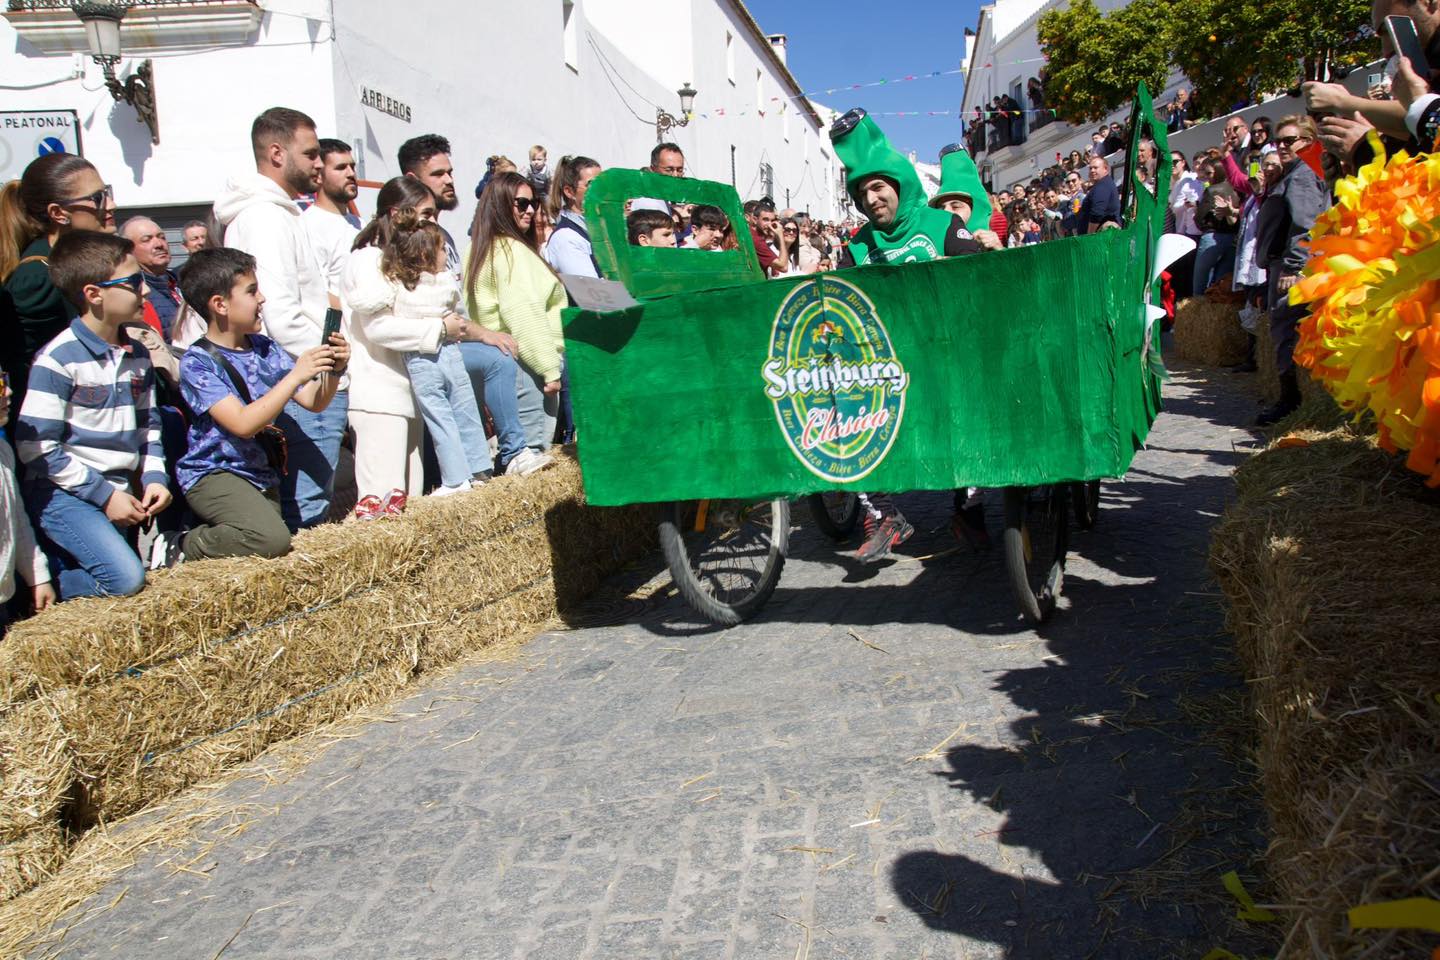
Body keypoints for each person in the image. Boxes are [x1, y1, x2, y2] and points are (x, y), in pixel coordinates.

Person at [831, 108, 991, 559]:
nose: (873, 198)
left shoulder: (940, 225)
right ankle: (883, 516)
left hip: (947, 354)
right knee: (841, 410)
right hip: (885, 366)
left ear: (899, 183)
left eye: (879, 186)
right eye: (863, 192)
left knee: (968, 404)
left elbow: (982, 277)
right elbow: (841, 301)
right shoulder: (857, 246)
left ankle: (969, 509)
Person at [344, 178, 544, 512]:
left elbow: (451, 315)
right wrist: (439, 329)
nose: (433, 223)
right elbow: (378, 327)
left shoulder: (408, 265)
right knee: (382, 504)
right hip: (381, 393)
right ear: (397, 215)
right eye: (425, 215)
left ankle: (474, 470)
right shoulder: (368, 260)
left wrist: (474, 333)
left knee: (409, 501)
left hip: (408, 389)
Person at [15, 231, 170, 599]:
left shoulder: (136, 353)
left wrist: (154, 477)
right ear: (94, 294)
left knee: (130, 580)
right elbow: (35, 448)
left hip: (119, 494)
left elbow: (149, 425)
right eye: (133, 283)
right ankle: (48, 584)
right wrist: (103, 496)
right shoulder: (58, 359)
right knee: (126, 580)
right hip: (68, 496)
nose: (144, 291)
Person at [214, 106, 346, 532]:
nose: (318, 163)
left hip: (308, 374)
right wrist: (325, 367)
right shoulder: (264, 217)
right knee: (306, 509)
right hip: (301, 375)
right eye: (310, 154)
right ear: (276, 152)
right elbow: (279, 313)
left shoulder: (278, 212)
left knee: (311, 503)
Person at [174, 248, 345, 559]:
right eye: (252, 291)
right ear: (220, 304)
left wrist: (333, 370)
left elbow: (313, 401)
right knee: (270, 540)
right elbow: (243, 424)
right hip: (215, 473)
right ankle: (183, 543)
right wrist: (295, 375)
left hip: (260, 473)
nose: (262, 298)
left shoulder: (265, 348)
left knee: (270, 543)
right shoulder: (197, 363)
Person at [1, 154, 117, 426]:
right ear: (58, 213)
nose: (110, 205)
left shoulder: (72, 265)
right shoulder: (37, 277)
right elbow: (25, 369)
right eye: (96, 198)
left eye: (107, 193)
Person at [465, 172, 567, 455]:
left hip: (500, 363)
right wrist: (549, 370)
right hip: (527, 364)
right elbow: (525, 314)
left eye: (533, 202)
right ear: (499, 204)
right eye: (521, 203)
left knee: (511, 451)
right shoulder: (511, 251)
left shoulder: (478, 248)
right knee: (530, 453)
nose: (532, 210)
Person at [1254, 115, 1328, 426]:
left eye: (1290, 140)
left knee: (1285, 330)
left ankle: (1290, 400)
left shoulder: (1301, 176)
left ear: (1308, 142)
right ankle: (1290, 396)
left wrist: (1296, 266)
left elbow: (1306, 224)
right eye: (1279, 141)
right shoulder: (1291, 174)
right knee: (1283, 329)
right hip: (1282, 263)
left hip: (1291, 266)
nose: (1282, 146)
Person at [0, 378, 53, 631]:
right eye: (0, 385)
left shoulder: (3, 452)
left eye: (6, 380)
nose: (9, 392)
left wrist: (37, 577)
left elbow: (17, 522)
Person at [302, 138, 362, 305]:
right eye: (341, 168)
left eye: (352, 166)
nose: (351, 174)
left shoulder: (360, 223)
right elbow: (317, 293)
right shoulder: (308, 226)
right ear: (319, 176)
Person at [398, 134, 463, 278]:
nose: (449, 180)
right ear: (412, 180)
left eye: (449, 172)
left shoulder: (444, 235)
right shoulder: (407, 239)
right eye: (438, 174)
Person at [118, 217, 182, 340]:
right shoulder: (136, 294)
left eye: (162, 237)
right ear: (128, 250)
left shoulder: (182, 283)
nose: (159, 244)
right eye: (146, 240)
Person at [928, 144, 1002, 250]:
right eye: (941, 207)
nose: (947, 212)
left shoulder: (990, 247)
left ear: (973, 208)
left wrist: (999, 250)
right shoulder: (928, 245)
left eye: (956, 206)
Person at [544, 155, 603, 277]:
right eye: (591, 184)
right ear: (569, 192)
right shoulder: (566, 238)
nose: (601, 191)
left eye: (602, 183)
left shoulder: (598, 228)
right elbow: (591, 291)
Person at [1078, 155, 1121, 233]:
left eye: (1095, 168)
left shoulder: (1103, 186)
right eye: (1090, 168)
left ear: (1105, 169)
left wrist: (1090, 236)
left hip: (1100, 238)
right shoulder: (1102, 184)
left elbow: (1097, 213)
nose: (1092, 170)